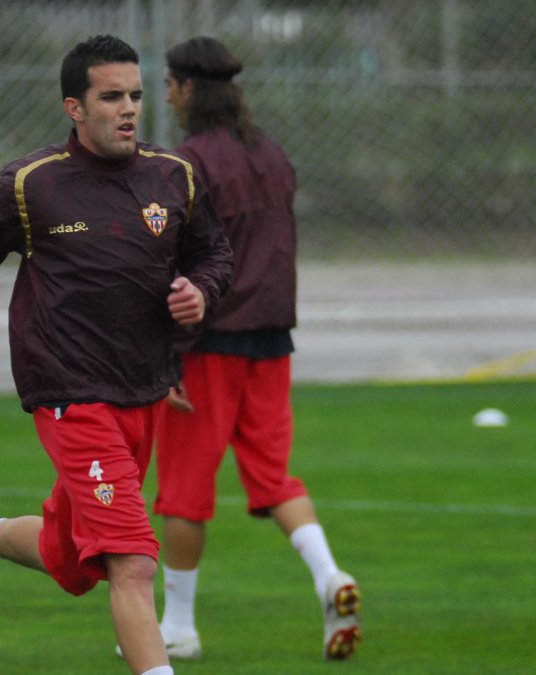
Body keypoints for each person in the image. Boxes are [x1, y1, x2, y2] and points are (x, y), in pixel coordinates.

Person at [0, 35, 232, 675]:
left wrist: (201, 291)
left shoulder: (175, 175)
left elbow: (212, 253)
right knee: (132, 560)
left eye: (135, 95)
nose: (129, 109)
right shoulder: (34, 184)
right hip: (68, 395)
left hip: (145, 390)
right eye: (110, 97)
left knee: (69, 556)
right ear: (74, 108)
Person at [153, 37, 361, 661]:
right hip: (272, 345)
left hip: (208, 345)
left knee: (184, 489)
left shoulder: (187, 163)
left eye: (167, 83)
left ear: (189, 89)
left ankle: (179, 629)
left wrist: (169, 353)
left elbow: (178, 264)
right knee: (273, 478)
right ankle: (329, 576)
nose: (163, 93)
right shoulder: (271, 154)